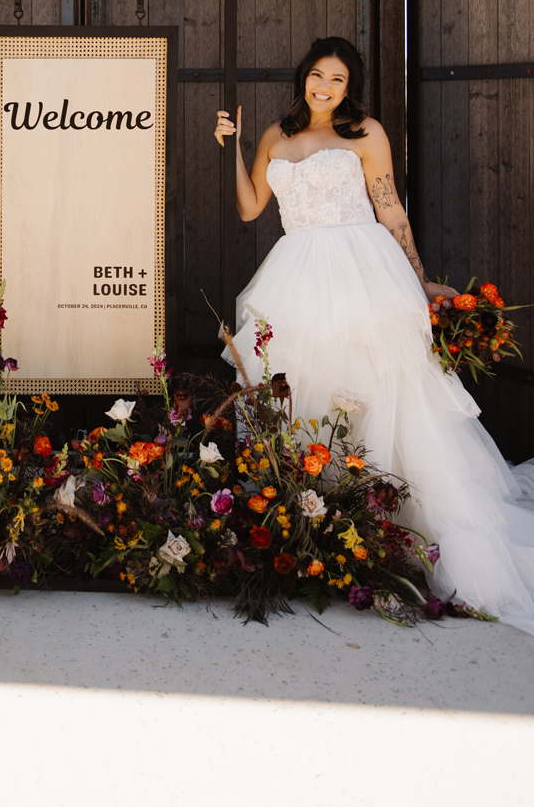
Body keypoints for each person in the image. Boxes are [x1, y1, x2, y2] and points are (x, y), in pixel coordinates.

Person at [214, 35, 534, 634]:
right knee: (302, 387)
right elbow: (252, 207)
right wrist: (231, 147)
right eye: (317, 75)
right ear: (304, 77)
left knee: (379, 389)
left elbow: (390, 211)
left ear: (348, 88)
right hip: (298, 275)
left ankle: (385, 522)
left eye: (337, 80)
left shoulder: (366, 134)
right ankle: (317, 522)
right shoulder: (276, 136)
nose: (324, 87)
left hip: (362, 269)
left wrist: (419, 281)